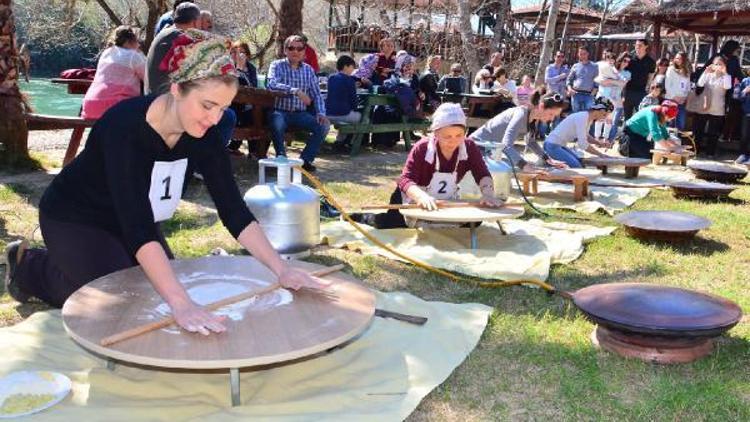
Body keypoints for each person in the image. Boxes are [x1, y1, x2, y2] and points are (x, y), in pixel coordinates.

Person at [3, 32, 329, 336]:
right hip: (76, 217)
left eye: (224, 109)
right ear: (176, 89)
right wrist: (180, 303)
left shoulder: (205, 133)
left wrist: (280, 269)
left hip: (137, 218)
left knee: (155, 295)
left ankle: (78, 273)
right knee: (122, 303)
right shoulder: (124, 128)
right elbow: (137, 227)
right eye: (207, 105)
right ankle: (30, 267)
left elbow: (233, 210)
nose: (215, 119)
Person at [349, 103, 503, 228]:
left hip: (445, 199)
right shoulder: (422, 147)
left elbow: (482, 174)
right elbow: (405, 180)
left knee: (475, 222)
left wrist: (488, 194)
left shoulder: (469, 147)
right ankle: (365, 218)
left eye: (459, 135)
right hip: (414, 196)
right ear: (436, 133)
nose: (453, 141)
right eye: (447, 136)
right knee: (390, 223)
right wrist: (422, 197)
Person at [266, 35, 330, 171]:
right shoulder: (276, 65)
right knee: (277, 122)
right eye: (291, 48)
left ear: (304, 51)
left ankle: (305, 161)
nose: (295, 51)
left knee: (324, 126)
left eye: (299, 48)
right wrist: (296, 91)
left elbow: (317, 94)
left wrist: (321, 113)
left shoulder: (309, 70)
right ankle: (281, 158)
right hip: (280, 111)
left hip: (300, 114)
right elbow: (271, 84)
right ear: (285, 50)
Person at [469, 89, 568, 172]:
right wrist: (524, 165)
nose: (551, 119)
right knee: (507, 170)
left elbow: (530, 141)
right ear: (541, 106)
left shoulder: (534, 119)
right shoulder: (521, 114)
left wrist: (548, 159)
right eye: (551, 114)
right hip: (475, 148)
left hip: (490, 151)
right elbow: (506, 145)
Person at [81, 26, 146, 120]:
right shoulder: (133, 56)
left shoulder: (106, 52)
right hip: (114, 108)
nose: (139, 45)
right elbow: (149, 77)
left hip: (89, 106)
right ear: (128, 41)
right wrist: (141, 55)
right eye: (137, 41)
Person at [145, 2, 199, 95]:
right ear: (195, 22)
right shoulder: (181, 38)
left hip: (151, 94)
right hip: (163, 99)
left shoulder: (165, 32)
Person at [543, 97, 615, 168]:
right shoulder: (583, 117)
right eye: (604, 114)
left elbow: (586, 136)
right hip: (552, 146)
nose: (604, 117)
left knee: (581, 164)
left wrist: (600, 143)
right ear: (600, 110)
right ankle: (548, 165)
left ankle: (551, 163)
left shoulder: (587, 117)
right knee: (577, 167)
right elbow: (583, 145)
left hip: (558, 145)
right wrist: (601, 155)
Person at [371, 53, 423, 148]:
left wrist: (420, 93)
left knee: (394, 111)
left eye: (411, 65)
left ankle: (390, 140)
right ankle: (378, 141)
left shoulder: (414, 77)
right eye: (407, 65)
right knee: (380, 109)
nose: (410, 68)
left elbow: (416, 90)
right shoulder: (393, 75)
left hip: (405, 107)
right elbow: (385, 87)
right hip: (392, 103)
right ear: (400, 65)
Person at [691, 56, 732, 157]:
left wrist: (725, 72)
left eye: (720, 64)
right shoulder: (708, 74)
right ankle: (696, 151)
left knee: (713, 132)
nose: (718, 66)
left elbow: (728, 87)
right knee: (698, 130)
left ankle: (710, 153)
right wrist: (705, 72)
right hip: (704, 106)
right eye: (716, 64)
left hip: (717, 108)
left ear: (724, 65)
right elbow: (700, 84)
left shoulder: (727, 76)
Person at [226, 41, 259, 156]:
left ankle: (254, 151)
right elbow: (234, 86)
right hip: (231, 103)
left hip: (249, 103)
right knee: (237, 114)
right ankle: (233, 146)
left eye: (241, 52)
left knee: (258, 115)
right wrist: (239, 68)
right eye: (234, 52)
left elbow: (253, 87)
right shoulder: (228, 67)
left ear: (248, 55)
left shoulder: (251, 69)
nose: (237, 55)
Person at [594, 51, 631, 143]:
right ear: (620, 59)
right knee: (599, 118)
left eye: (628, 61)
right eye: (624, 60)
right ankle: (597, 138)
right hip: (602, 95)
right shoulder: (607, 67)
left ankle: (606, 139)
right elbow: (599, 80)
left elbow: (622, 83)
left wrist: (610, 81)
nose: (626, 63)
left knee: (609, 119)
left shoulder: (627, 73)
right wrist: (614, 81)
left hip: (614, 97)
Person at [326, 55, 361, 149]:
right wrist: (356, 109)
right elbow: (353, 100)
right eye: (352, 67)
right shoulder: (349, 80)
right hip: (342, 114)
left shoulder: (331, 78)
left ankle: (339, 141)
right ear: (346, 66)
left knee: (347, 117)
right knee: (361, 118)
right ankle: (350, 142)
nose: (353, 70)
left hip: (328, 113)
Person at [623, 39, 656, 119]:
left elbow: (651, 76)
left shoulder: (650, 61)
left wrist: (647, 88)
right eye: (636, 45)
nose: (637, 47)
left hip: (641, 92)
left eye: (640, 45)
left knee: (640, 116)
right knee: (627, 116)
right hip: (628, 91)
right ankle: (626, 131)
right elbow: (622, 72)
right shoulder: (629, 58)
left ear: (646, 46)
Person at [664, 52, 692, 131]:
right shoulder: (671, 69)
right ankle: (667, 141)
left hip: (681, 102)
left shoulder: (687, 72)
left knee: (680, 124)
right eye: (676, 58)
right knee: (670, 123)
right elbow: (667, 85)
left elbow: (688, 87)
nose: (677, 60)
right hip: (670, 100)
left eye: (680, 58)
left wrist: (684, 97)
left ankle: (678, 141)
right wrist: (674, 97)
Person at [566, 46, 599, 112]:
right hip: (576, 94)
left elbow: (597, 80)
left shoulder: (594, 66)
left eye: (584, 53)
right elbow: (569, 79)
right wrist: (570, 89)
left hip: (589, 95)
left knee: (587, 116)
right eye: (581, 54)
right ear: (578, 54)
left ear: (588, 54)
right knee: (575, 115)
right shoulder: (575, 66)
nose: (582, 56)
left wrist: (594, 92)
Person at [734, 72, 750, 164]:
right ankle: (743, 155)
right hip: (747, 113)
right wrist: (744, 91)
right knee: (744, 135)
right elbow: (738, 97)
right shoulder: (746, 81)